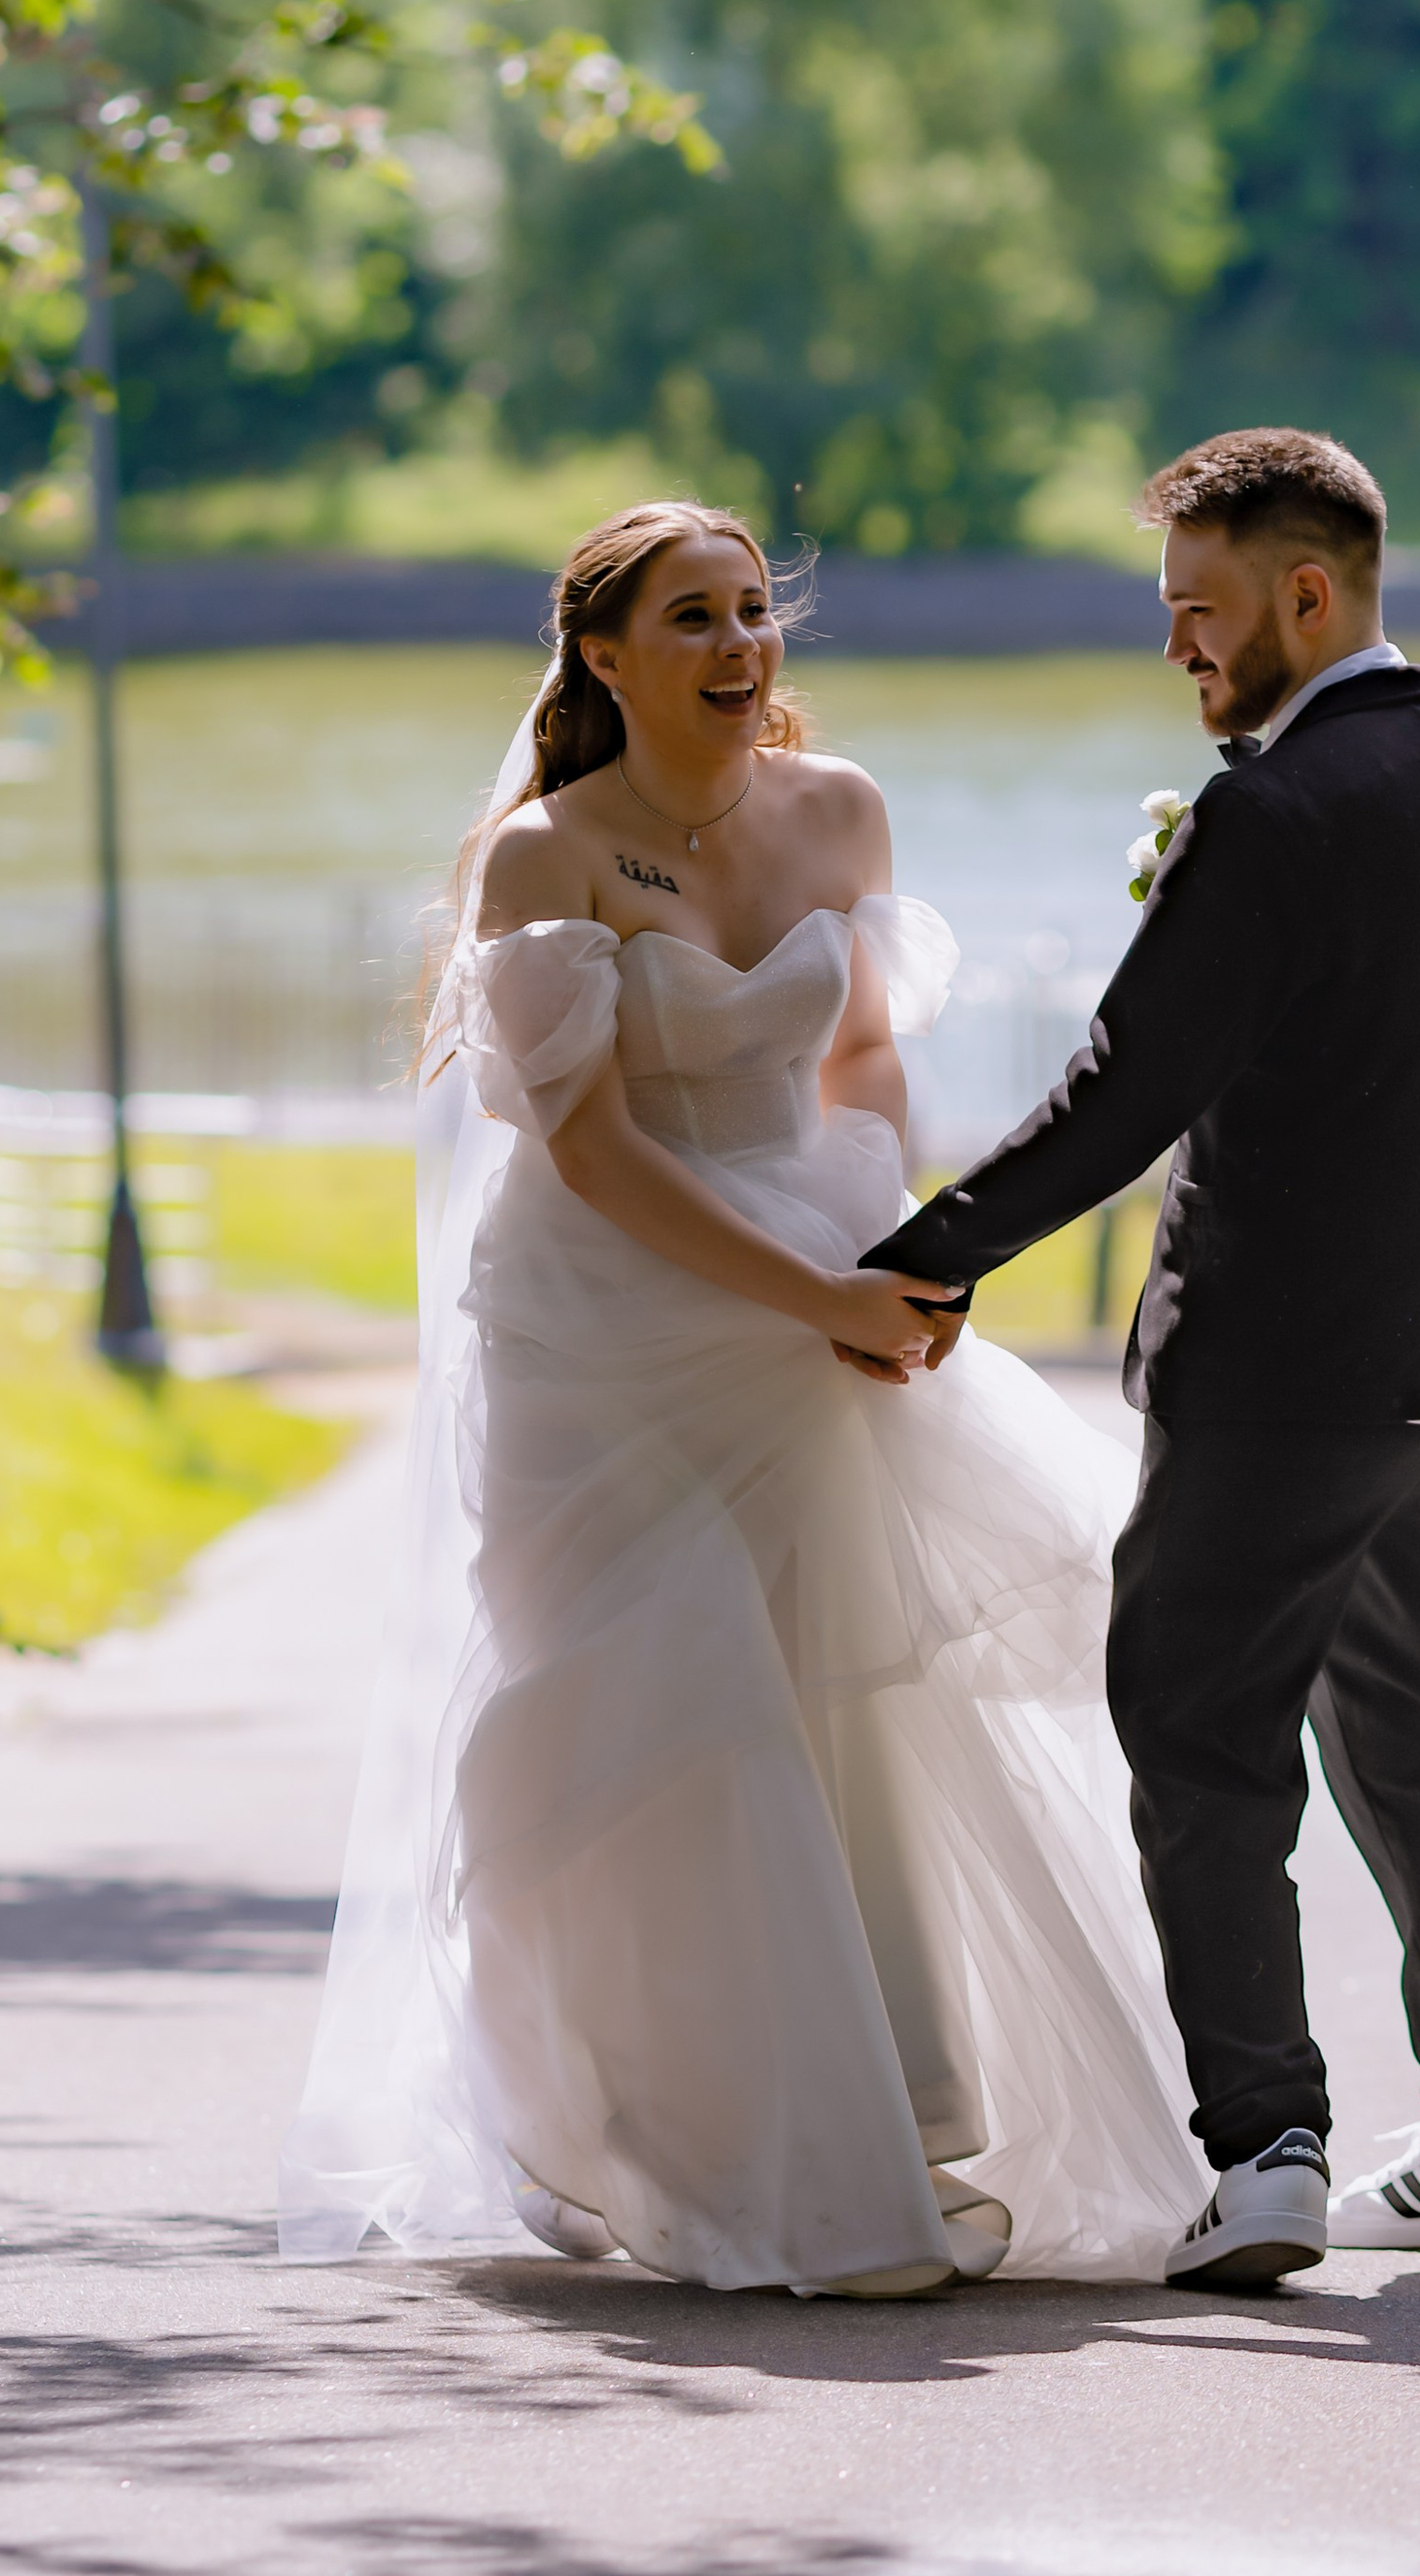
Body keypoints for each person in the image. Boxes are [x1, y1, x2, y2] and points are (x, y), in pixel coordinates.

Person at [861, 427, 1420, 2288]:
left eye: (1201, 613)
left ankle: (1264, 2142)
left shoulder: (1271, 816)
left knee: (1197, 1730)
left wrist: (929, 1256)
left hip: (1273, 1375)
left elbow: (1129, 1092)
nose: (1180, 652)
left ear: (1309, 591)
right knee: (1419, 1732)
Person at [278, 501, 1203, 2295]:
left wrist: (903, 1254)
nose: (736, 648)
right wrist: (815, 1298)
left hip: (829, 1270)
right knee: (668, 1713)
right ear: (603, 657)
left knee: (842, 1705)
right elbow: (594, 1149)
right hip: (605, 1336)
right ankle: (689, 2143)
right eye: (689, 618)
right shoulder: (542, 860)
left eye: (756, 612)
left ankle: (891, 2126)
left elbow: (859, 1054)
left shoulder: (839, 810)